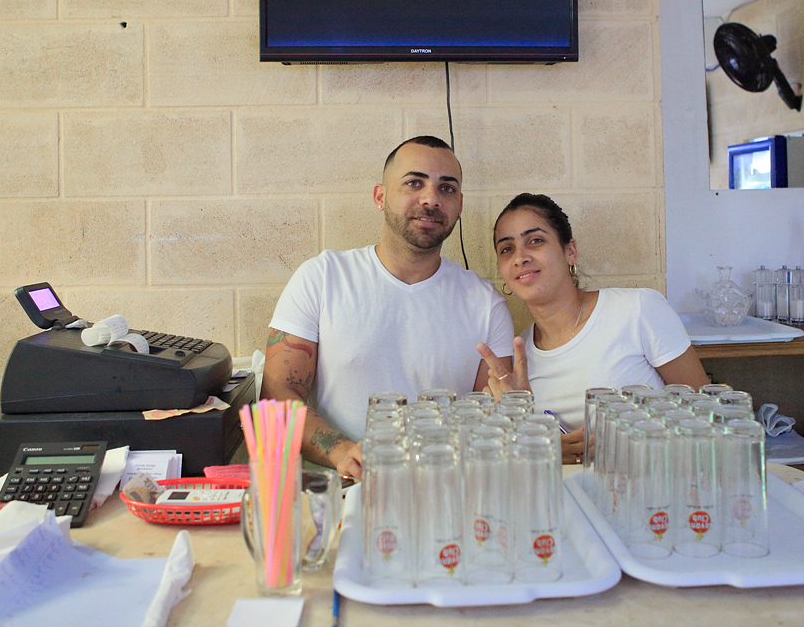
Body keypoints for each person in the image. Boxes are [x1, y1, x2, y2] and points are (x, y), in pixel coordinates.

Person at [262, 136, 516, 479]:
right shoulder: (322, 277)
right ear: (380, 197)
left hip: (443, 485)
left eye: (446, 189)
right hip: (340, 488)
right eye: (414, 183)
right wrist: (343, 452)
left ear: (459, 206)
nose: (431, 199)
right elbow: (277, 395)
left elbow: (487, 415)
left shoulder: (486, 304)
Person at [477, 192, 709, 464]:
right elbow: (532, 454)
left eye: (535, 241)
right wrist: (537, 441)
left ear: (570, 252)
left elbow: (707, 415)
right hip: (570, 489)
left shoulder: (638, 309)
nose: (520, 257)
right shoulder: (520, 360)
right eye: (507, 249)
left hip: (658, 481)